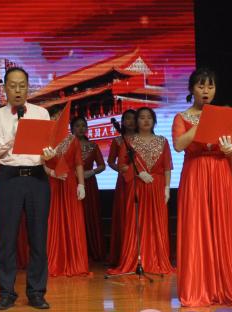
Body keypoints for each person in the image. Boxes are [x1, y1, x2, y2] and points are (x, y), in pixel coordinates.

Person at [0, 67, 62, 310]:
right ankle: (6, 293)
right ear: (5, 88)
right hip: (9, 179)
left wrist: (50, 153)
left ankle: (36, 292)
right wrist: (13, 135)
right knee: (7, 239)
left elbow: (48, 146)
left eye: (22, 85)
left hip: (37, 178)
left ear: (28, 88)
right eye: (13, 86)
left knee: (38, 237)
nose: (18, 90)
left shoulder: (41, 113)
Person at [173, 68, 232, 306]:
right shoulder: (181, 117)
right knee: (196, 227)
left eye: (210, 86)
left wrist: (229, 149)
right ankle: (197, 288)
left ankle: (223, 288)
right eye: (201, 86)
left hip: (219, 172)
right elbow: (179, 145)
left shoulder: (224, 115)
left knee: (222, 226)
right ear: (192, 89)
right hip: (195, 173)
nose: (206, 91)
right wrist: (201, 124)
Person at [110, 107, 173, 276]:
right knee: (136, 223)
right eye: (142, 117)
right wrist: (137, 172)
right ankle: (136, 260)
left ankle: (157, 259)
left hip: (157, 186)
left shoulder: (163, 141)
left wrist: (167, 188)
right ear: (136, 121)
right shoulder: (128, 141)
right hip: (137, 186)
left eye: (149, 117)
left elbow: (167, 167)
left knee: (157, 223)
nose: (146, 120)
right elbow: (121, 166)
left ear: (154, 121)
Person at [45, 116, 88, 277]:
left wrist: (81, 184)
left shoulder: (73, 139)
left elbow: (78, 164)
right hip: (50, 182)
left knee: (72, 219)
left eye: (60, 118)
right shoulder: (43, 139)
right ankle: (53, 261)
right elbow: (37, 162)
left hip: (69, 183)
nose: (57, 121)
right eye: (54, 118)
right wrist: (51, 172)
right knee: (51, 219)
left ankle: (75, 261)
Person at [73, 117, 107, 264]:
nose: (81, 128)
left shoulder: (93, 146)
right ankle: (76, 251)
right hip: (72, 184)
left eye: (83, 126)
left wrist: (91, 172)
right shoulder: (67, 146)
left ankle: (94, 251)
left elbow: (102, 165)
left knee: (90, 214)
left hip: (90, 184)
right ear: (72, 128)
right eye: (77, 126)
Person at [106, 109, 137, 266]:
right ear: (122, 122)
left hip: (140, 180)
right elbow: (110, 162)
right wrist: (120, 169)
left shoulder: (143, 139)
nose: (130, 121)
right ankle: (123, 253)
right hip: (124, 181)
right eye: (127, 118)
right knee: (124, 214)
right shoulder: (118, 141)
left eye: (133, 118)